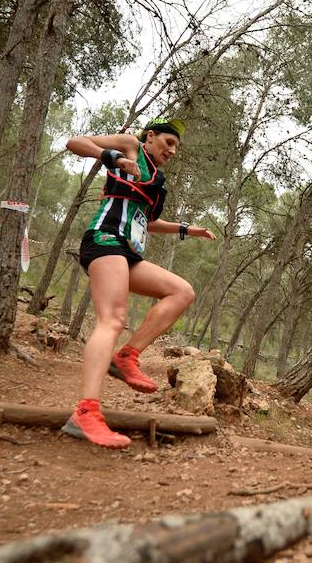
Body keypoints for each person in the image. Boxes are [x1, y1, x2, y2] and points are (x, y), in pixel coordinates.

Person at [61, 118, 216, 448]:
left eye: (176, 148)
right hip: (104, 239)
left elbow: (150, 221)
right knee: (113, 319)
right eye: (168, 143)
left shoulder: (157, 179)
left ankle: (126, 357)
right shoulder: (130, 146)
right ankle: (85, 413)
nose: (172, 151)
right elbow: (75, 142)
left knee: (182, 291)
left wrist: (189, 229)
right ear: (150, 137)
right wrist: (113, 158)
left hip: (128, 253)